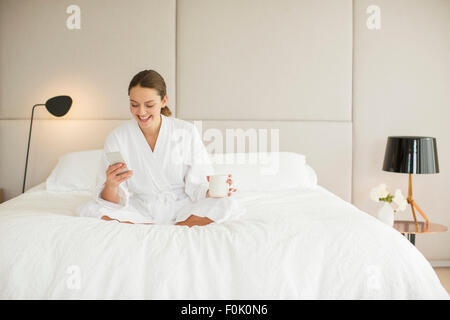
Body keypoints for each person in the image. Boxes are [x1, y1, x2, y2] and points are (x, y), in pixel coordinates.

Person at [76, 69, 245, 227]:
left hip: (183, 208)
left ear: (164, 100)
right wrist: (111, 185)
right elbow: (111, 201)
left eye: (149, 105)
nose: (141, 112)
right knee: (91, 209)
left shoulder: (186, 131)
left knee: (227, 204)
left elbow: (197, 184)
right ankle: (153, 227)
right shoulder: (118, 137)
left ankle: (171, 227)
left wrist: (212, 191)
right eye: (134, 104)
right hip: (141, 209)